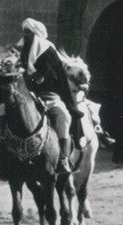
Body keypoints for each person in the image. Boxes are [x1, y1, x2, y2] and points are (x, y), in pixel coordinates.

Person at [13, 18, 84, 175]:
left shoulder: (48, 51)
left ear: (36, 34)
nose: (25, 35)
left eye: (28, 32)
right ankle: (0, 155)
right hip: (25, 95)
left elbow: (51, 75)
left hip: (48, 95)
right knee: (2, 114)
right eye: (24, 32)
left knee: (63, 115)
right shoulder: (20, 50)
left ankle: (64, 158)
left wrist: (36, 77)